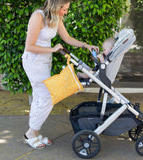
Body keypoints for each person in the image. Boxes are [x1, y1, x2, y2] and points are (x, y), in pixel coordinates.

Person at [22, 0, 99, 149]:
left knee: (40, 97)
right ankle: (30, 133)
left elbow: (68, 39)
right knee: (47, 97)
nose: (65, 12)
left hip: (44, 61)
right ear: (56, 6)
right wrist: (53, 49)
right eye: (64, 9)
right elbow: (29, 46)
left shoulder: (56, 18)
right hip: (33, 61)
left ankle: (34, 133)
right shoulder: (38, 17)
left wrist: (86, 45)